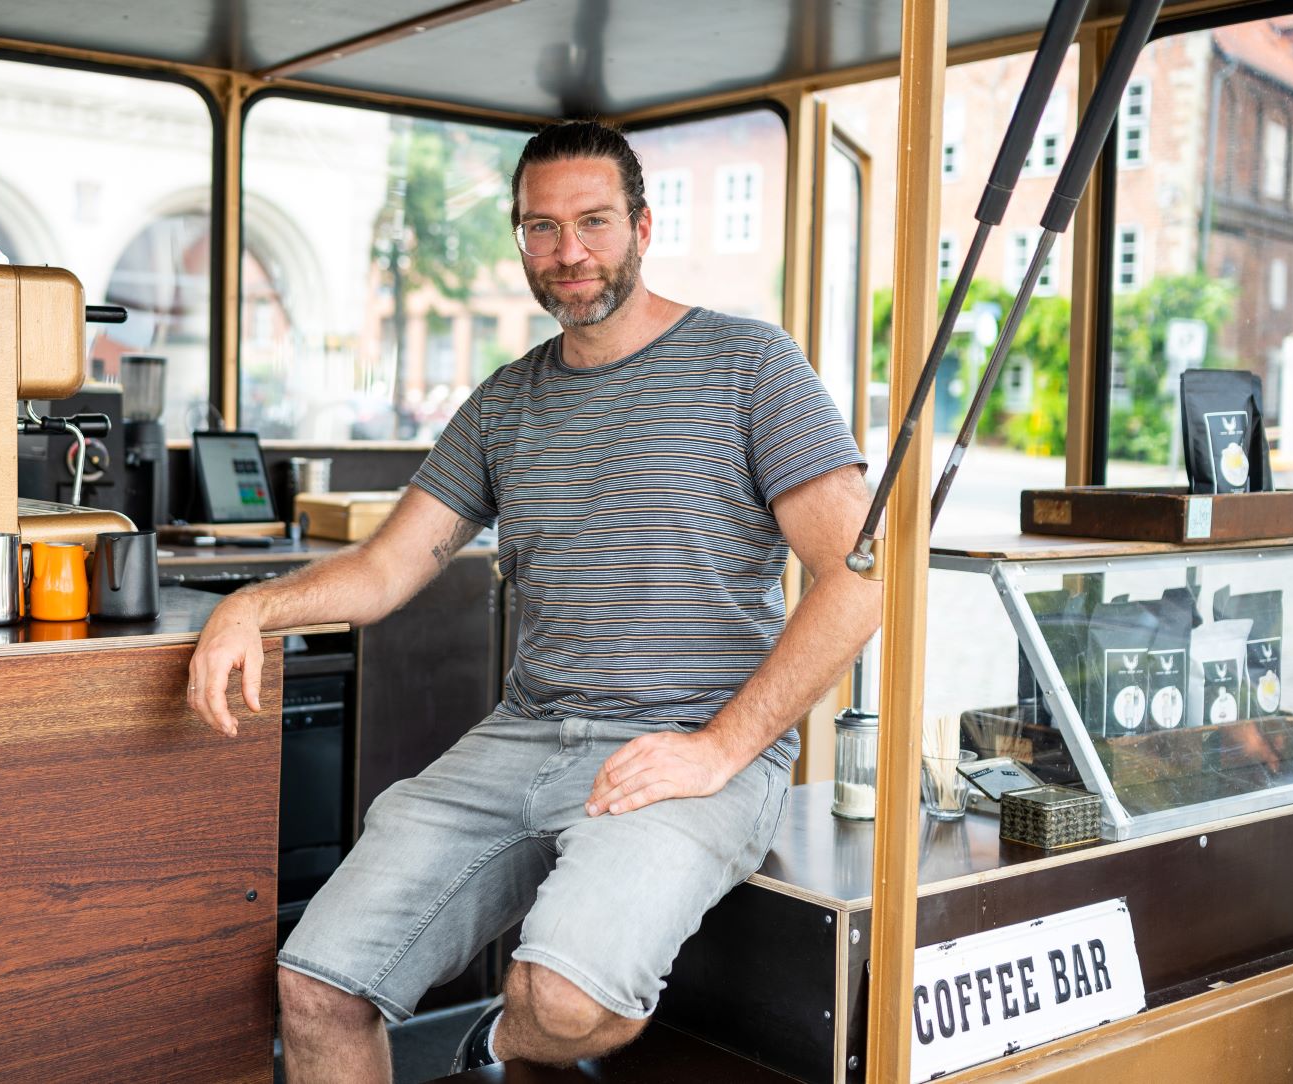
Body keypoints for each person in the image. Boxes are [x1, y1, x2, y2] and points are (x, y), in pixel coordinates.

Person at [186, 119, 882, 1082]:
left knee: (558, 1001)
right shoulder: (505, 403)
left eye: (593, 221)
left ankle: (488, 1051)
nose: (569, 252)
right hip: (523, 734)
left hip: (686, 747)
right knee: (314, 989)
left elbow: (861, 572)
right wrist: (248, 608)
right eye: (541, 229)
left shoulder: (750, 365)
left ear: (641, 225)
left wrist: (722, 746)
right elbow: (388, 570)